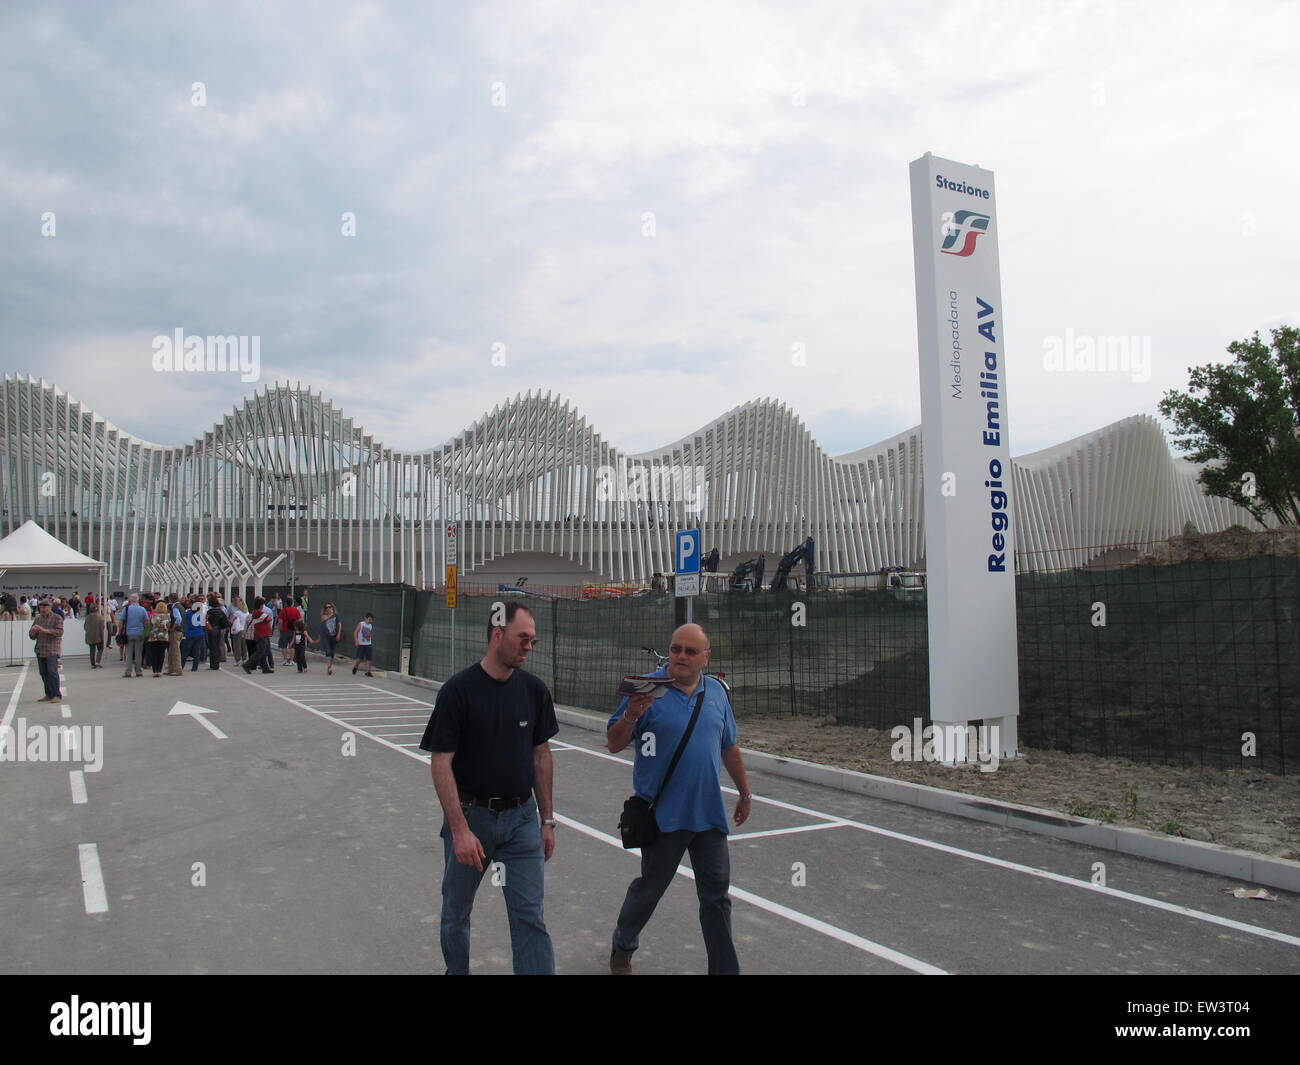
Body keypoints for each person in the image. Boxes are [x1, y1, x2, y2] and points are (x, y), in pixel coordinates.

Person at [419, 602, 558, 975]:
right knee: (456, 912)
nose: (530, 646)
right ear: (498, 635)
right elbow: (441, 762)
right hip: (471, 818)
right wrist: (460, 831)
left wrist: (547, 821)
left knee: (530, 915)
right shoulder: (458, 692)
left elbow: (541, 757)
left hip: (522, 819)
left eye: (534, 639)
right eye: (523, 638)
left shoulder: (534, 690)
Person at [606, 623, 752, 975]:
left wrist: (745, 792)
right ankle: (623, 945)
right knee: (649, 891)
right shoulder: (648, 690)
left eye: (690, 651)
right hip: (663, 818)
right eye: (675, 649)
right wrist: (631, 715)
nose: (681, 657)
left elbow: (728, 745)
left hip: (708, 817)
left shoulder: (716, 692)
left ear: (706, 657)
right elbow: (613, 742)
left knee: (716, 899)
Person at [29, 599, 64, 702]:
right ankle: (48, 694)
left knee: (52, 671)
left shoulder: (57, 618)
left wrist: (44, 630)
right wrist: (33, 632)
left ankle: (56, 695)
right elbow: (31, 636)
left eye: (45, 607)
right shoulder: (38, 619)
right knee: (43, 672)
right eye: (41, 607)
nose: (43, 609)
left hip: (52, 649)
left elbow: (59, 632)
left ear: (50, 607)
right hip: (40, 649)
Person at [241, 597, 275, 675]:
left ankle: (265, 667)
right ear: (261, 605)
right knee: (260, 651)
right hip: (261, 634)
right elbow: (269, 618)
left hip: (263, 634)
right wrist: (266, 618)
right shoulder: (258, 612)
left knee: (263, 652)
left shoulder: (258, 612)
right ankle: (247, 664)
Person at [121, 593, 149, 678]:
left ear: (130, 600)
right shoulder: (142, 609)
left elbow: (121, 621)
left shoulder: (126, 609)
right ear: (138, 600)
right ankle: (138, 671)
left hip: (129, 633)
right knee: (138, 653)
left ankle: (128, 672)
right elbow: (147, 621)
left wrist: (120, 632)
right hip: (140, 633)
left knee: (129, 654)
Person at [145, 599, 171, 677]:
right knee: (161, 653)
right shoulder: (168, 616)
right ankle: (159, 670)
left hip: (154, 637)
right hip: (163, 637)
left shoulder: (153, 616)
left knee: (154, 654)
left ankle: (154, 670)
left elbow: (148, 626)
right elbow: (169, 627)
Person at [204, 594, 229, 669]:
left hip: (212, 629)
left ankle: (213, 664)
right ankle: (216, 664)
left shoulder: (210, 611)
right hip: (219, 629)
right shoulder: (221, 611)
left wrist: (208, 626)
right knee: (217, 646)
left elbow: (205, 620)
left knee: (212, 647)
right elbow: (225, 622)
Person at [183, 597, 207, 672]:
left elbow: (185, 623)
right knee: (197, 651)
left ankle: (181, 665)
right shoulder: (200, 613)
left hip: (190, 633)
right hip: (200, 633)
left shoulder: (188, 613)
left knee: (186, 651)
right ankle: (194, 667)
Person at [318, 603, 341, 675]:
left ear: (332, 607)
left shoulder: (336, 616)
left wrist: (338, 634)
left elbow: (340, 625)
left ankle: (330, 666)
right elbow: (322, 625)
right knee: (328, 651)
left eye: (329, 607)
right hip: (326, 636)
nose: (328, 608)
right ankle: (329, 667)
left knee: (332, 652)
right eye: (326, 607)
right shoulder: (323, 616)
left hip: (334, 636)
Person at [277, 597, 301, 664]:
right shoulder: (295, 610)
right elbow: (299, 620)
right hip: (293, 630)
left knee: (283, 645)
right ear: (292, 603)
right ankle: (291, 660)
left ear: (286, 603)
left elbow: (280, 621)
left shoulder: (282, 611)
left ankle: (285, 660)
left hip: (284, 630)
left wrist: (280, 629)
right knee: (292, 646)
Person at [83, 602, 106, 668]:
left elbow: (85, 627)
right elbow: (102, 628)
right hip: (98, 636)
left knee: (92, 650)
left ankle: (92, 663)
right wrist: (102, 638)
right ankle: (97, 661)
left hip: (89, 636)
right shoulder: (100, 618)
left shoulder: (87, 617)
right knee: (100, 649)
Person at [229, 596, 250, 665]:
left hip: (237, 630)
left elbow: (231, 621)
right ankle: (244, 658)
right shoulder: (247, 613)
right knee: (244, 646)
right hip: (244, 630)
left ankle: (238, 660)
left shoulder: (237, 613)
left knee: (237, 645)